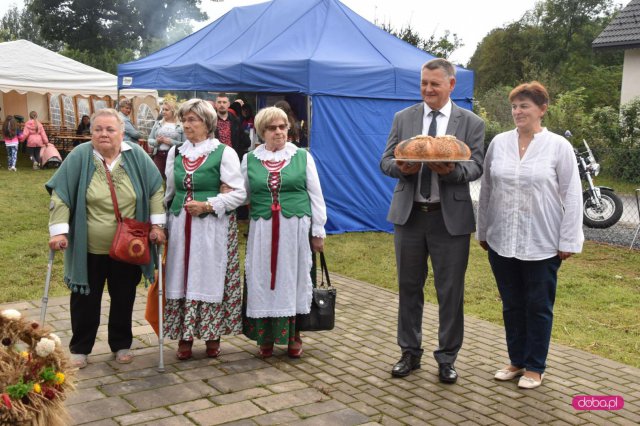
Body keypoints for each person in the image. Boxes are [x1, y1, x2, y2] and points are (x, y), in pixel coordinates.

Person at [380, 58, 485, 383]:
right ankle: (409, 353)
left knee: (450, 292)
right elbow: (385, 160)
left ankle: (447, 358)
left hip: (449, 220)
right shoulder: (404, 117)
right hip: (409, 217)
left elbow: (477, 166)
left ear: (451, 85)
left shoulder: (471, 122)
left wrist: (453, 171)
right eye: (424, 83)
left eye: (434, 84)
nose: (427, 89)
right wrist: (402, 168)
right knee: (408, 288)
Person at [476, 81, 584, 389]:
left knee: (538, 305)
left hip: (542, 242)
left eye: (524, 106)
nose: (517, 111)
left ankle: (535, 366)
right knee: (511, 304)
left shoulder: (558, 147)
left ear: (542, 109)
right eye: (514, 106)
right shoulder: (499, 143)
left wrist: (568, 240)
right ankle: (516, 360)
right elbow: (486, 191)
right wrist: (483, 230)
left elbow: (573, 195)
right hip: (502, 240)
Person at [45, 108, 166, 369]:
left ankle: (121, 343)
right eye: (98, 129)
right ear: (91, 133)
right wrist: (59, 232)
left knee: (124, 296)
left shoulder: (137, 156)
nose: (104, 134)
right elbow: (61, 194)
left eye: (110, 129)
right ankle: (80, 348)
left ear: (122, 133)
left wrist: (157, 226)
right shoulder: (80, 156)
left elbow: (156, 189)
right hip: (89, 247)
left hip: (129, 246)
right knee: (85, 298)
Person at [163, 99, 246, 360]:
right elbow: (169, 193)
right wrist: (163, 224)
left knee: (209, 275)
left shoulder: (224, 153)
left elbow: (239, 195)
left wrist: (208, 205)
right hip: (181, 226)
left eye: (192, 120)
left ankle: (212, 335)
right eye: (184, 120)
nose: (186, 125)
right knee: (182, 275)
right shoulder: (175, 153)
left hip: (213, 227)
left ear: (207, 123)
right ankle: (184, 337)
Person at [242, 106, 327, 359]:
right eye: (272, 128)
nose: (278, 132)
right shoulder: (250, 159)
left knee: (293, 278)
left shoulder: (302, 156)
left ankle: (294, 335)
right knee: (263, 278)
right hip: (263, 228)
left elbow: (316, 195)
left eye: (282, 127)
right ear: (261, 132)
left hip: (295, 228)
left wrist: (318, 230)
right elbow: (243, 194)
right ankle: (265, 336)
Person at [148, 98, 185, 179]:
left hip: (175, 157)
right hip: (159, 155)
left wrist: (171, 142)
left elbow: (185, 144)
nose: (163, 112)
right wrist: (157, 141)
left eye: (166, 110)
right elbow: (150, 139)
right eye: (163, 109)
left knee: (172, 180)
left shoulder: (181, 125)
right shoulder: (158, 123)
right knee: (156, 179)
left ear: (173, 111)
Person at [213, 93, 250, 162]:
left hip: (232, 159)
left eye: (224, 102)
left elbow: (243, 141)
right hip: (215, 159)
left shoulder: (236, 121)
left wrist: (238, 155)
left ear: (228, 104)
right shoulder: (210, 121)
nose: (222, 104)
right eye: (219, 102)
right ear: (215, 104)